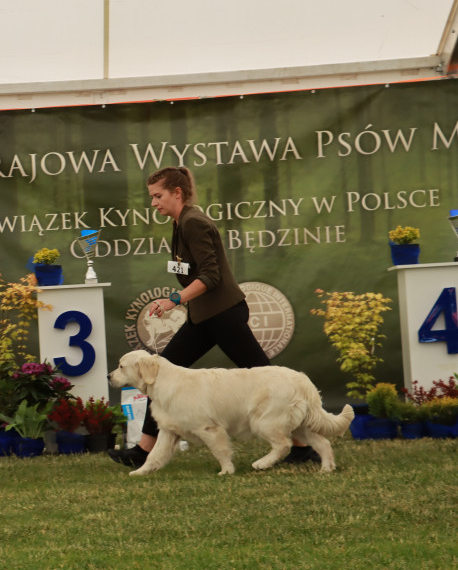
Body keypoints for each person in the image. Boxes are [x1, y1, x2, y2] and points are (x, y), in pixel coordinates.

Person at [108, 166, 321, 468]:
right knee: (157, 378)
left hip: (222, 316)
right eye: (152, 197)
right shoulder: (181, 222)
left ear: (177, 193)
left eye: (158, 196)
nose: (153, 203)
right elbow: (190, 269)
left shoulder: (194, 222)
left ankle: (302, 448)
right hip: (205, 316)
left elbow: (210, 275)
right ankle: (143, 450)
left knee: (267, 376)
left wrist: (173, 300)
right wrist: (178, 289)